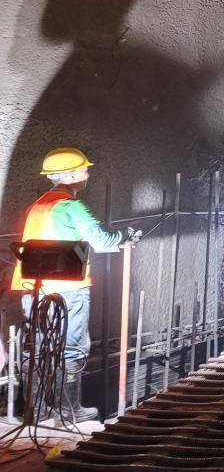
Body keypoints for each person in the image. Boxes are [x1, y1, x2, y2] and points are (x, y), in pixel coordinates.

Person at [11, 148, 136, 423]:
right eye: (84, 169)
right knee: (72, 348)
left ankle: (38, 410)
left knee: (40, 348)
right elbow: (102, 241)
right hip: (67, 291)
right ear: (71, 175)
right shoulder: (71, 206)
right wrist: (125, 234)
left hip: (34, 290)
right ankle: (69, 411)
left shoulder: (38, 206)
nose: (87, 174)